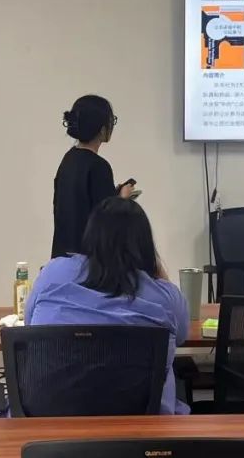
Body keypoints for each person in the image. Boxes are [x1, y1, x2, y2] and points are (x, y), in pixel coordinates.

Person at [28, 197, 189, 415]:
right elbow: (181, 335)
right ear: (144, 244)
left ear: (90, 236)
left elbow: (30, 330)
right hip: (140, 424)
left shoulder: (52, 273)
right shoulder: (165, 295)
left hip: (50, 419)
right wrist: (156, 271)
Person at [52, 94, 135, 257]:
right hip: (88, 261)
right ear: (102, 130)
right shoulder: (99, 166)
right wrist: (122, 199)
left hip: (62, 258)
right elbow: (106, 220)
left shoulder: (68, 159)